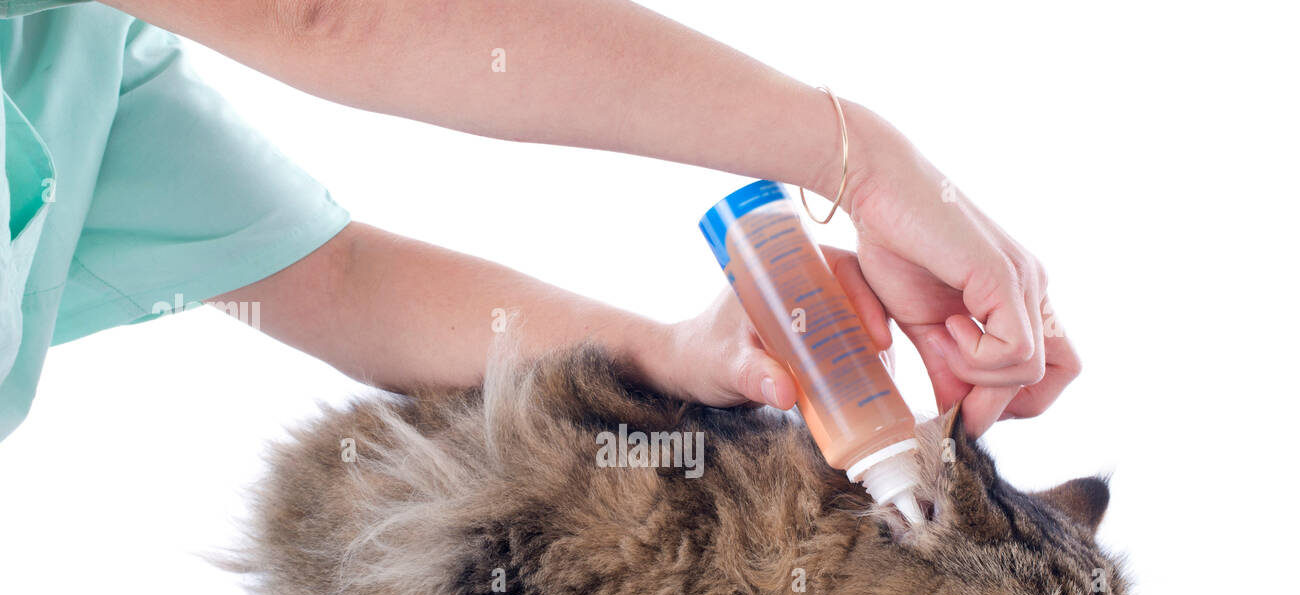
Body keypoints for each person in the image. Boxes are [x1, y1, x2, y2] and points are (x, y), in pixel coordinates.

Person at [0, 0, 1079, 443]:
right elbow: (332, 20)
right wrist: (860, 161)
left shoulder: (72, 62)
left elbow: (338, 281)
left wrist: (667, 352)